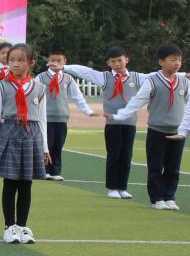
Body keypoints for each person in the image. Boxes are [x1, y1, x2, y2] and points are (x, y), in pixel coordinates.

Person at [0, 43, 50, 244]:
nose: (15, 64)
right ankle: (9, 226)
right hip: (9, 133)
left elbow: (42, 119)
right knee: (10, 182)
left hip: (32, 136)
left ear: (31, 63)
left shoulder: (39, 88)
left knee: (26, 183)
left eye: (21, 60)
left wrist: (45, 147)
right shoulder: (0, 87)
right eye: (12, 60)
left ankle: (22, 226)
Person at [110, 43, 187, 211]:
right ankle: (157, 198)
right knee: (155, 167)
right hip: (157, 131)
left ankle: (170, 197)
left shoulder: (183, 81)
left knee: (173, 168)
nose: (177, 63)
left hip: (177, 132)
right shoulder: (152, 80)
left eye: (179, 60)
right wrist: (121, 115)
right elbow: (138, 100)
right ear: (161, 61)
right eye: (173, 60)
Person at [65, 48, 142, 199]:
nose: (117, 64)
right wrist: (64, 67)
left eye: (120, 60)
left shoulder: (136, 77)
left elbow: (157, 76)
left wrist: (183, 75)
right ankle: (112, 187)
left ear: (127, 59)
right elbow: (84, 71)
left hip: (130, 123)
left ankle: (122, 187)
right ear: (108, 63)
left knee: (126, 156)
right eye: (113, 61)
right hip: (112, 124)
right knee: (114, 155)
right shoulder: (104, 77)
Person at [35, 49, 95, 182]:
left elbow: (77, 96)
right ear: (48, 61)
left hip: (62, 117)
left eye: (58, 61)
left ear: (64, 62)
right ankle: (43, 170)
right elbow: (34, 95)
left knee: (58, 145)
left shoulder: (68, 78)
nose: (55, 63)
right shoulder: (41, 77)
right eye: (52, 60)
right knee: (46, 145)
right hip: (45, 118)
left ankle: (55, 171)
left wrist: (87, 111)